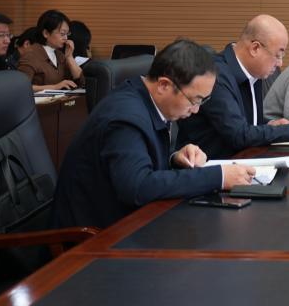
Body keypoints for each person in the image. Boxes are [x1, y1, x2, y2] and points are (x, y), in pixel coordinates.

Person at [52, 39, 256, 229]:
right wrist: (219, 176)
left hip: (129, 220)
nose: (196, 110)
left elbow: (138, 162)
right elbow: (137, 187)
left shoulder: (142, 98)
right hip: (95, 236)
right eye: (194, 100)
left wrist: (175, 158)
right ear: (164, 85)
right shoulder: (125, 118)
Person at [176, 15, 289, 159]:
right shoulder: (217, 75)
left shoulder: (253, 73)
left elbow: (246, 126)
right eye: (278, 55)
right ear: (255, 48)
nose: (280, 63)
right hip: (209, 167)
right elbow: (238, 135)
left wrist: (270, 126)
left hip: (244, 161)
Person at [17, 9, 85, 91]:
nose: (66, 38)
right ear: (46, 33)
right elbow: (21, 87)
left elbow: (81, 81)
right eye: (62, 34)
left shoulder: (59, 55)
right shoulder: (30, 55)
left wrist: (69, 57)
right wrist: (55, 87)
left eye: (67, 34)